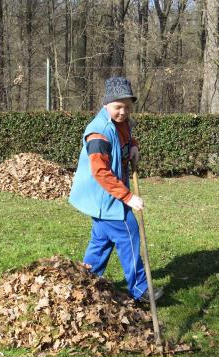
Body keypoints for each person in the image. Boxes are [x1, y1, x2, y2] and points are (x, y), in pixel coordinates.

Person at [69, 76, 164, 303]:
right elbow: (100, 172)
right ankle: (141, 290)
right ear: (106, 105)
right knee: (129, 234)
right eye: (118, 107)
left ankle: (86, 282)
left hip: (105, 199)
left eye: (127, 107)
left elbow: (128, 137)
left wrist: (133, 147)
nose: (122, 112)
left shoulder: (120, 123)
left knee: (101, 242)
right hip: (107, 198)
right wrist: (127, 197)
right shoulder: (98, 133)